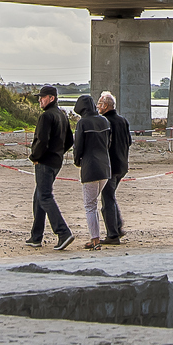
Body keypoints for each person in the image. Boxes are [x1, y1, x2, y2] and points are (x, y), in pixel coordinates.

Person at [26, 84, 75, 250]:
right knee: (38, 196)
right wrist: (59, 152)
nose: (39, 99)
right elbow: (70, 140)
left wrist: (35, 157)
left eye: (42, 97)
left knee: (45, 196)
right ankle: (36, 236)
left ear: (51, 98)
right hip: (56, 161)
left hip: (45, 162)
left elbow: (42, 140)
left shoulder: (46, 116)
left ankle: (63, 232)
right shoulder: (62, 115)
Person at [70, 94, 113, 249]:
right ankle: (96, 237)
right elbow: (109, 143)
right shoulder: (104, 120)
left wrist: (77, 161)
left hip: (90, 167)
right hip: (105, 166)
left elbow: (78, 146)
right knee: (94, 202)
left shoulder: (82, 123)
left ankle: (95, 239)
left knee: (90, 204)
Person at [98, 90, 132, 245]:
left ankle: (113, 234)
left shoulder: (104, 121)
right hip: (122, 165)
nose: (97, 106)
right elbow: (129, 141)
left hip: (110, 166)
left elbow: (103, 145)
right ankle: (117, 228)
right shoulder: (123, 120)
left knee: (107, 200)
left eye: (99, 103)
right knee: (110, 197)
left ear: (105, 106)